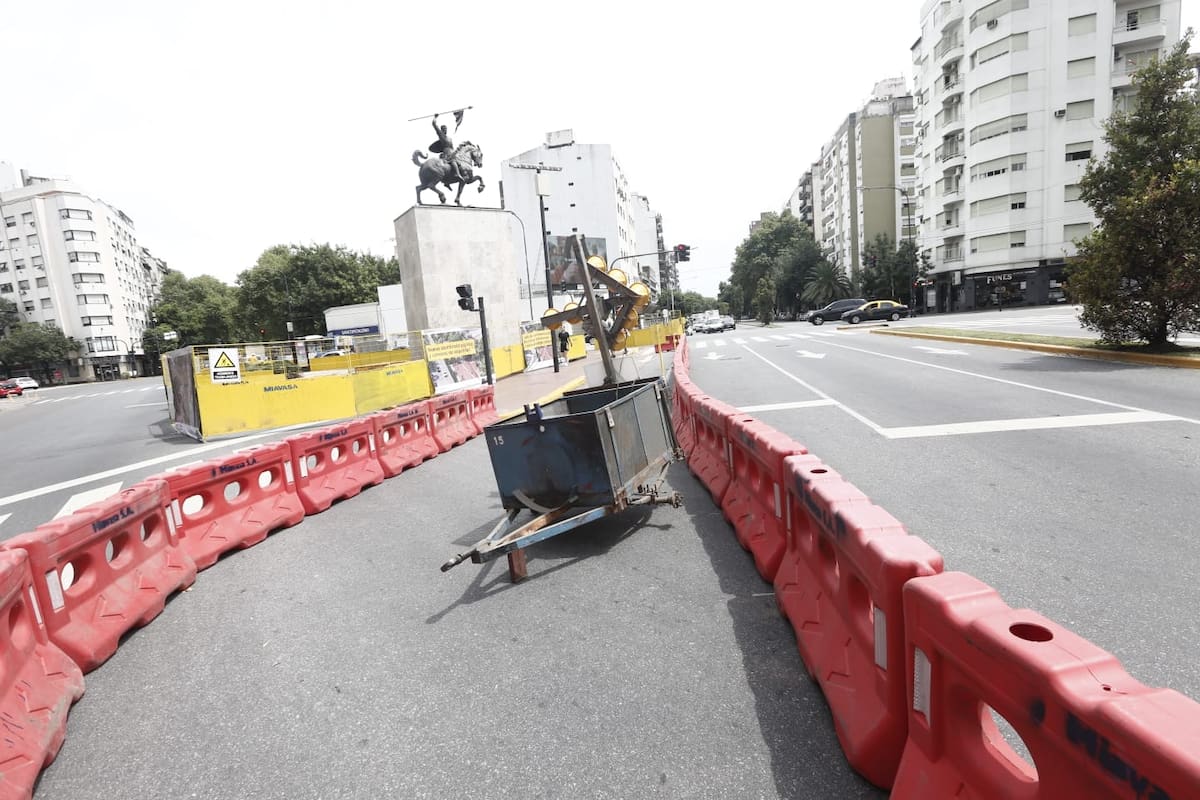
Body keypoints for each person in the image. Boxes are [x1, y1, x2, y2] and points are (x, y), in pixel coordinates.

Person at [429, 115, 462, 183]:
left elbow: (452, 147)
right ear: (441, 130)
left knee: (460, 161)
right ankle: (457, 174)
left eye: (446, 129)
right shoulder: (442, 136)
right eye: (443, 129)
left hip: (452, 152)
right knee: (453, 161)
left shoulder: (449, 138)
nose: (445, 130)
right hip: (447, 153)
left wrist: (456, 152)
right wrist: (435, 117)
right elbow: (434, 124)